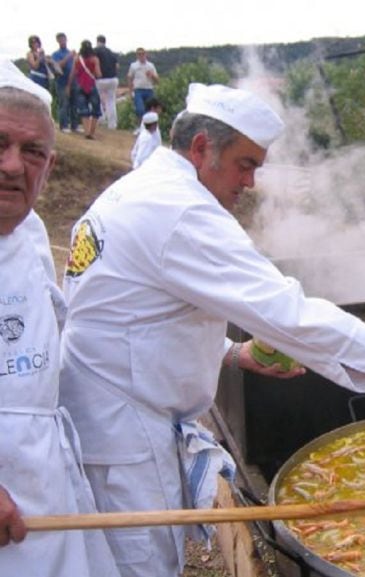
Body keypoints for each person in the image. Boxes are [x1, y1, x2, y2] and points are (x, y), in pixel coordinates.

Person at [59, 82, 365, 577]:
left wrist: (233, 354)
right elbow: (288, 311)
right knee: (141, 568)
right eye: (246, 164)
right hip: (123, 437)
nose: (252, 182)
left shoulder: (144, 188)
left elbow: (137, 315)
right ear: (201, 149)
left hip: (114, 419)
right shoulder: (179, 210)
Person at [0, 58, 119, 577]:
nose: (11, 166)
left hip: (45, 473)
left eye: (33, 153)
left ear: (49, 166)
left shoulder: (30, 236)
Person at [69, 39, 102, 140]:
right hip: (91, 85)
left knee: (83, 110)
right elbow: (98, 74)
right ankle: (91, 132)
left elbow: (73, 73)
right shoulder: (95, 59)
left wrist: (68, 85)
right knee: (96, 110)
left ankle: (86, 131)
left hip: (80, 85)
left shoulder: (77, 59)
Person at [51, 32, 80, 133]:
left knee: (75, 104)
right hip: (62, 82)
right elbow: (58, 66)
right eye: (60, 39)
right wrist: (69, 57)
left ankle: (75, 125)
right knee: (64, 104)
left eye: (64, 39)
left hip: (74, 81)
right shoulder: (56, 54)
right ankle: (63, 125)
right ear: (58, 41)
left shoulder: (72, 53)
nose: (62, 41)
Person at [126, 47, 158, 128]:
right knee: (140, 109)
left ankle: (148, 128)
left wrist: (152, 75)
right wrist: (130, 91)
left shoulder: (151, 65)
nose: (141, 56)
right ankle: (139, 127)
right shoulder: (133, 65)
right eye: (139, 54)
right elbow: (130, 77)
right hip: (138, 90)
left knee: (150, 111)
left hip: (149, 89)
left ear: (145, 54)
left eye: (142, 54)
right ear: (137, 55)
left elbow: (157, 80)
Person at [94, 34, 119, 129]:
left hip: (101, 79)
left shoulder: (95, 51)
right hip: (113, 79)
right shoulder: (111, 52)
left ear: (97, 41)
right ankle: (112, 124)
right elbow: (117, 66)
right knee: (111, 101)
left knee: (97, 99)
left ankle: (100, 118)